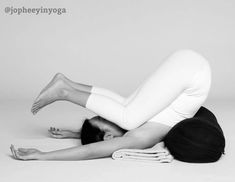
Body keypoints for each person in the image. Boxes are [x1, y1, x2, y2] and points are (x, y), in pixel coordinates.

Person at [10, 49, 212, 161]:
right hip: (193, 72)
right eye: (105, 120)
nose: (108, 115)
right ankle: (65, 88)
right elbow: (92, 150)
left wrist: (47, 153)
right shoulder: (137, 137)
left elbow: (95, 144)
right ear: (108, 137)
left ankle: (66, 87)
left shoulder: (136, 124)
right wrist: (42, 156)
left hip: (190, 69)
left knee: (126, 112)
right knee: (127, 115)